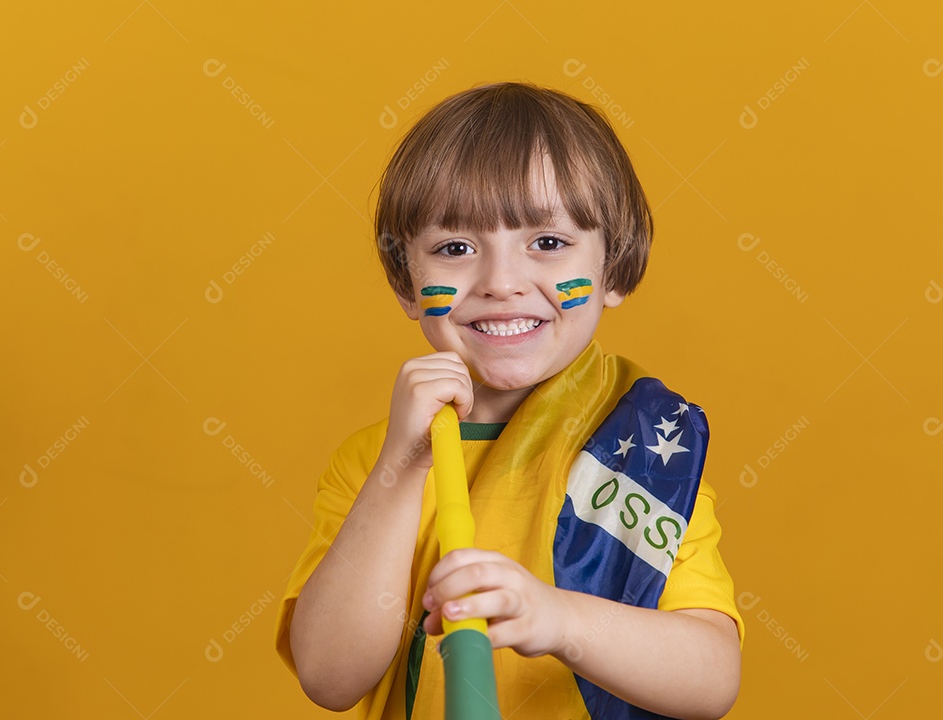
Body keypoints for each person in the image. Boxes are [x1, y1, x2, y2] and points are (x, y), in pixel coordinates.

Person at [274, 81, 744, 720]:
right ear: (407, 283)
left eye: (548, 243)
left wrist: (554, 617)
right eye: (455, 248)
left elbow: (711, 679)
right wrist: (401, 468)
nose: (500, 282)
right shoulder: (371, 465)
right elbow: (330, 676)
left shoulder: (644, 449)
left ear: (616, 267)